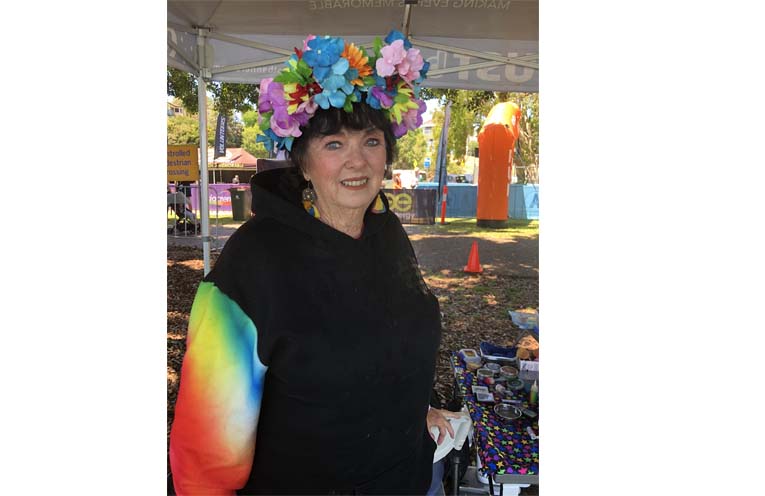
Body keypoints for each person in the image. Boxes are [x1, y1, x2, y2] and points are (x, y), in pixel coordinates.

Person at [170, 29, 459, 495]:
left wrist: (413, 411)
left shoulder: (386, 230)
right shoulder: (254, 262)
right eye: (334, 145)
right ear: (303, 163)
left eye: (371, 142)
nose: (357, 162)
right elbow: (206, 450)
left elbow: (384, 345)